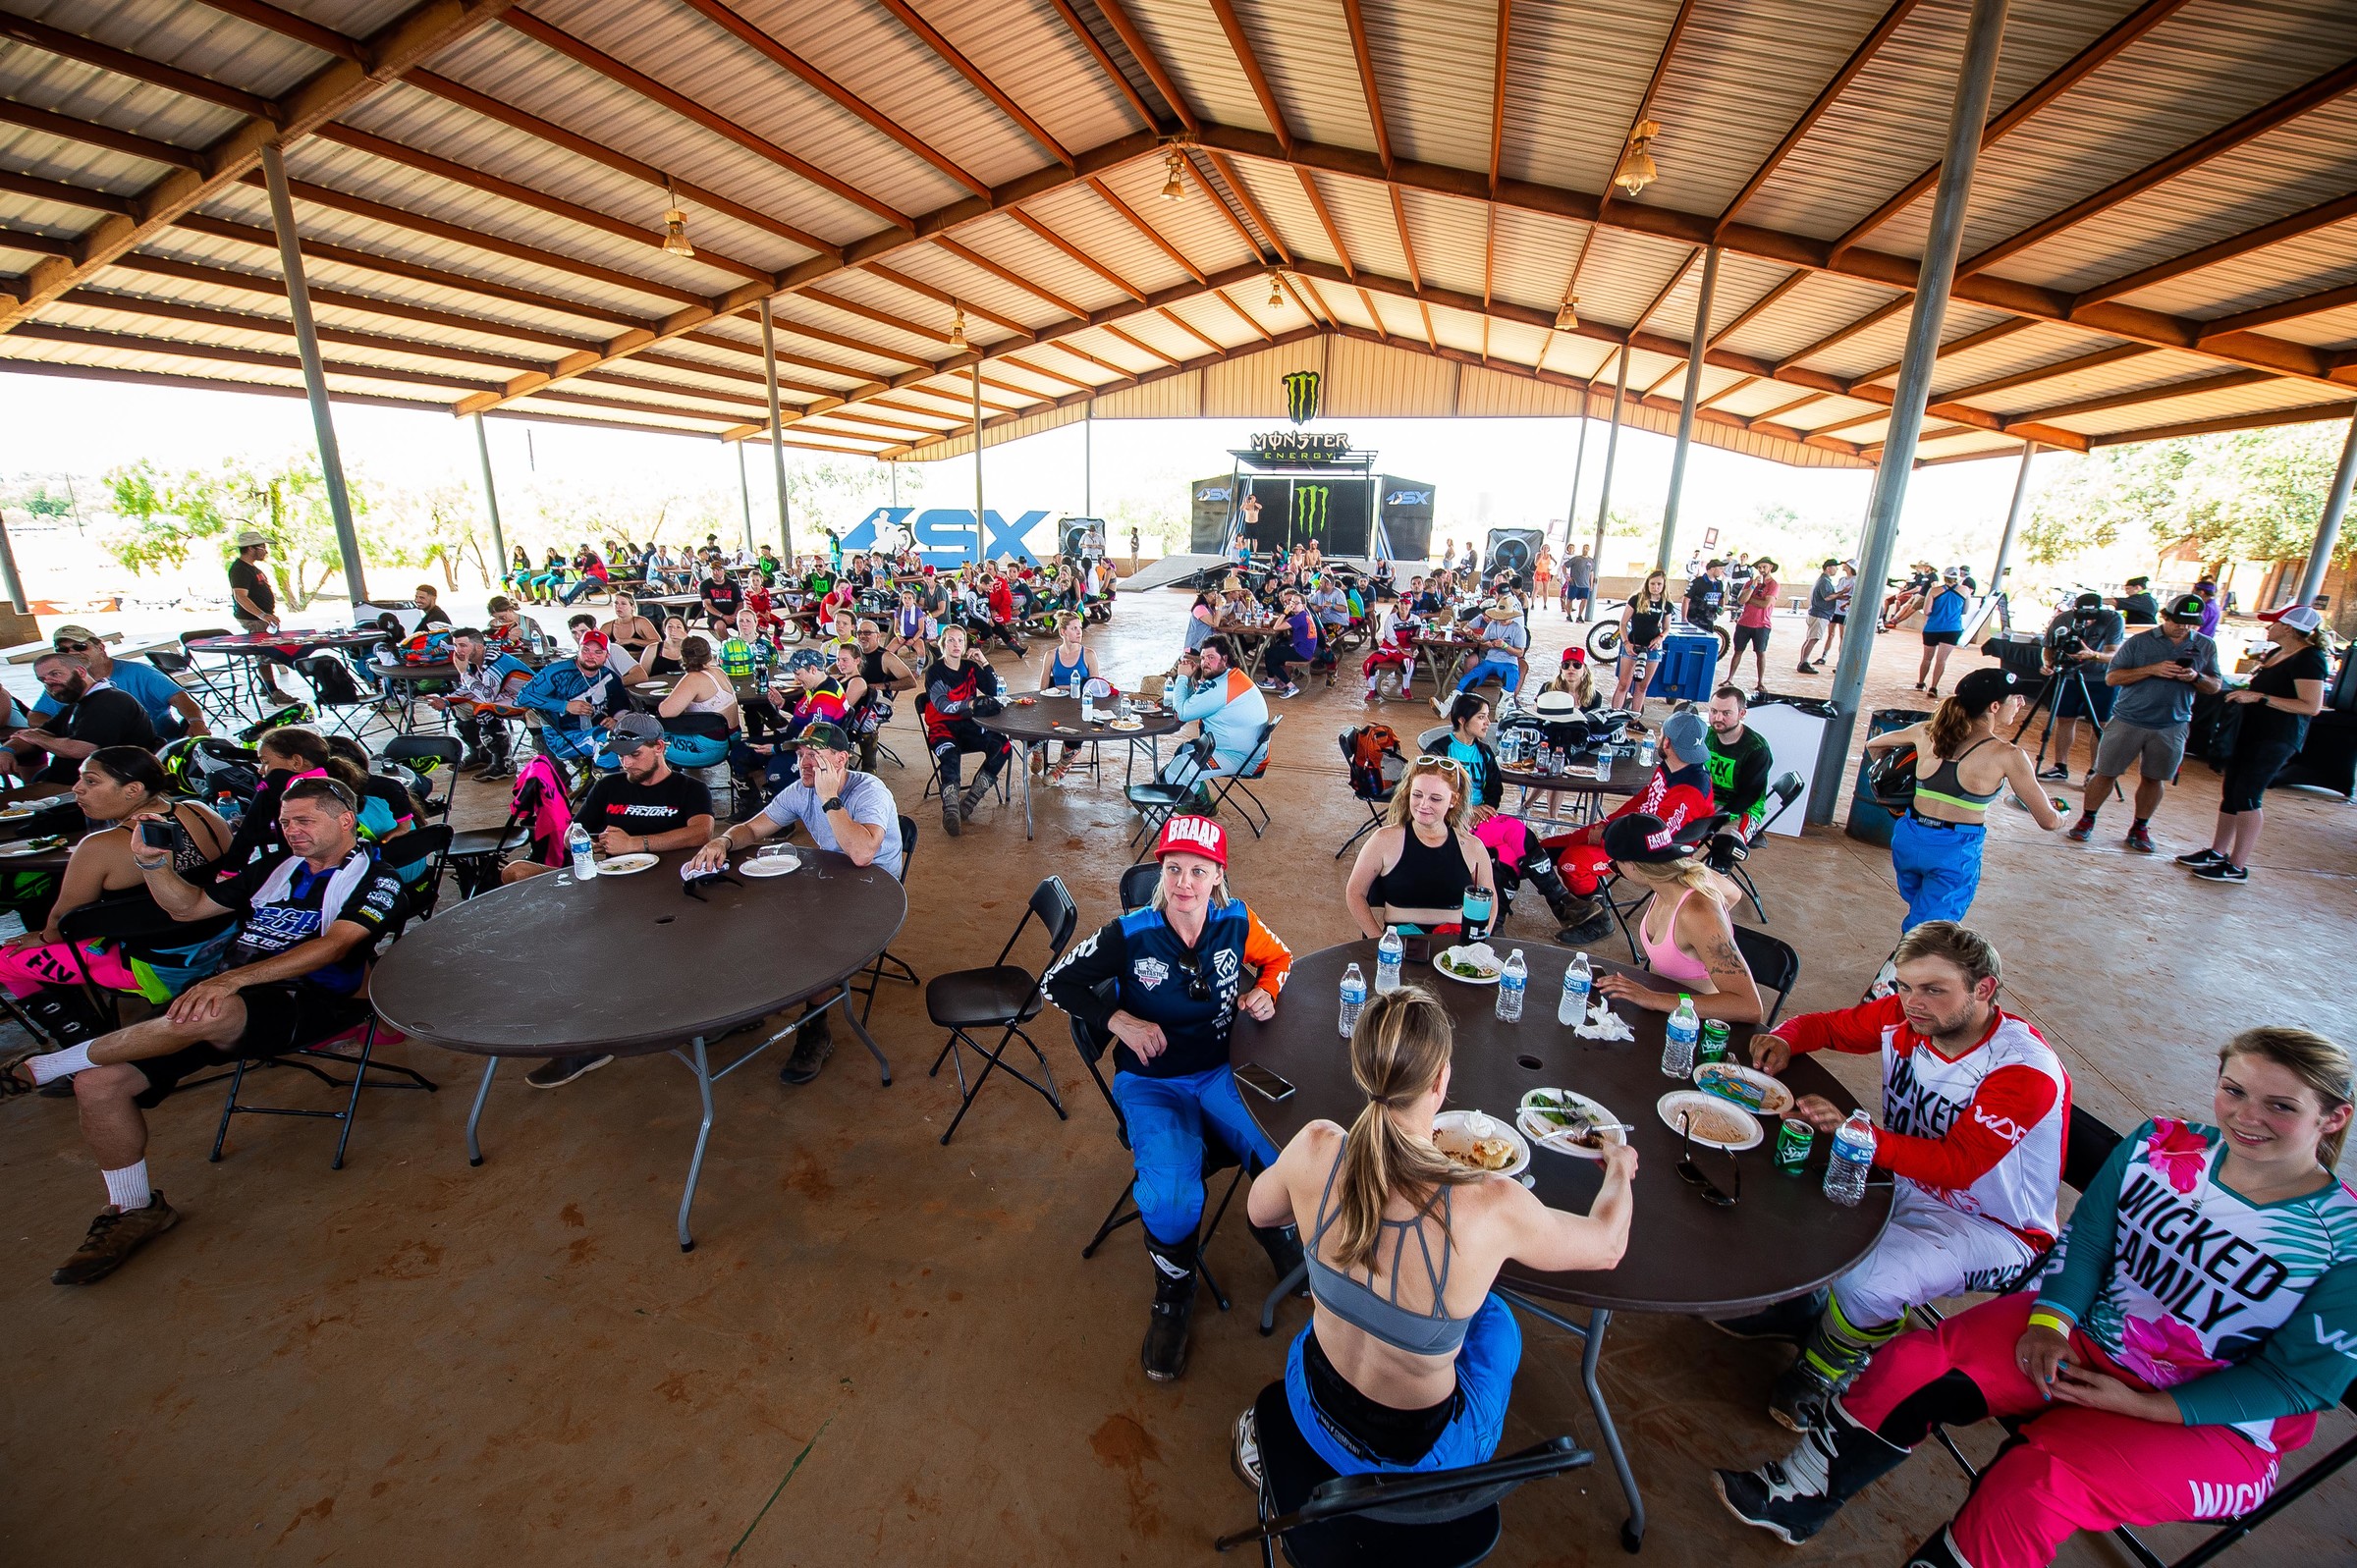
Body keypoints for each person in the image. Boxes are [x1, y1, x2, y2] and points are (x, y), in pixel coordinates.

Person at [1714, 1026, 2352, 1568]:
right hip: (2084, 1335)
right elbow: (2091, 1240)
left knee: (2035, 1480)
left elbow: (2299, 1384)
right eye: (2234, 1089)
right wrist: (2050, 1319)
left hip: (2218, 1422)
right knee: (1911, 1365)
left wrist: (2151, 1405)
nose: (2246, 1115)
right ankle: (1799, 1495)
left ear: (2333, 1116)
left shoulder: (2342, 1237)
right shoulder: (2161, 1144)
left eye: (2281, 1106)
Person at [2, 777, 406, 1284]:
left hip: (312, 1000)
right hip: (229, 998)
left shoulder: (377, 876)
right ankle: (133, 1208)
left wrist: (234, 979)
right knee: (100, 1083)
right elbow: (187, 907)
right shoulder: (276, 868)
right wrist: (152, 864)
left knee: (210, 1009)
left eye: (304, 821)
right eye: (284, 822)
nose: (291, 831)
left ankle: (48, 1065)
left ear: (345, 820)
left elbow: (335, 946)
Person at [1232, 984, 1636, 1485]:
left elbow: (1261, 1213)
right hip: (1416, 1465)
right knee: (1499, 1324)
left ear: (1361, 1068)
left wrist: (1328, 1216)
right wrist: (1620, 1167)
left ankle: (1269, 1440)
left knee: (1343, 1314)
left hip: (1311, 1403)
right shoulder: (1489, 1204)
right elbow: (1608, 1244)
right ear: (1441, 1080)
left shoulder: (1315, 1146)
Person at [1713, 920, 2068, 1435]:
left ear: (1984, 990)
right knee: (1785, 1185)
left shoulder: (2023, 1069)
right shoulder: (1908, 1018)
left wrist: (1862, 1134)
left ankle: (1827, 1368)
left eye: (1933, 990)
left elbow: (1960, 1165)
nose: (1913, 1002)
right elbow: (1829, 1026)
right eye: (1903, 986)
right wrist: (1786, 1039)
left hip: (1994, 1225)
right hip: (1904, 1177)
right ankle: (1804, 1308)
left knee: (1872, 1276)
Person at [1042, 814, 1300, 1380]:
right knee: (1172, 1195)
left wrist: (1264, 992)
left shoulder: (1238, 922)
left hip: (1219, 1070)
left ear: (1217, 877)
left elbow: (1282, 961)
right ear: (1162, 871)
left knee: (1288, 1152)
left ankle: (1271, 1223)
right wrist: (1119, 1021)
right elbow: (1055, 981)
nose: (1185, 882)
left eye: (1199, 871)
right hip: (1152, 1082)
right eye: (1175, 868)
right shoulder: (1130, 931)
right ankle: (1173, 1294)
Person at [500, 713, 712, 1087]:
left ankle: (589, 1037)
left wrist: (636, 844)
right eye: (620, 755)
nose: (626, 762)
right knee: (515, 872)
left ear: (660, 748)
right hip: (606, 880)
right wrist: (584, 839)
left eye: (634, 754)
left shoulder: (687, 789)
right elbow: (573, 830)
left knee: (592, 945)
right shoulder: (609, 786)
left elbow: (701, 833)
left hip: (662, 890)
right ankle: (556, 999)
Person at [686, 721, 897, 1083]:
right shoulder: (801, 790)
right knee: (746, 912)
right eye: (800, 755)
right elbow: (752, 828)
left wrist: (831, 799)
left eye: (814, 754)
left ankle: (815, 1026)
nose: (804, 763)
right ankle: (752, 1006)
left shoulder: (868, 792)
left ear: (842, 759)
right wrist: (723, 841)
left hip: (873, 890)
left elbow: (862, 854)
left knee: (812, 936)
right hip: (827, 880)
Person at [0, 748, 232, 1033]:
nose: (77, 789)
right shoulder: (203, 811)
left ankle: (83, 1041)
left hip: (160, 966)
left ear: (133, 789)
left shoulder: (101, 846)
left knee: (6, 959)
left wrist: (43, 937)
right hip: (225, 945)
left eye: (91, 781)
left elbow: (63, 921)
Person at [1864, 669, 2063, 931]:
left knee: (1922, 914)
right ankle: (1900, 970)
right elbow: (2048, 821)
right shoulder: (2007, 755)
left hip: (1909, 838)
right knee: (1927, 934)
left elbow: (1874, 746)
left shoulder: (1926, 732)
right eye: (2015, 697)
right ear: (1994, 706)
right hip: (1953, 851)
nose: (2021, 703)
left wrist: (1909, 781)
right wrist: (2061, 817)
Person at [2178, 604, 2331, 884]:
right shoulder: (2276, 653)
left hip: (2276, 737)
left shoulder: (2310, 659)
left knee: (2248, 794)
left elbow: (2311, 706)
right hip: (2249, 732)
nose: (2267, 627)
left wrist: (2260, 698)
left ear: (2288, 628)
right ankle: (2217, 851)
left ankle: (2237, 865)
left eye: (2273, 623)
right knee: (2232, 790)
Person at [2068, 593, 2221, 854]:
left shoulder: (2206, 646)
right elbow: (2113, 678)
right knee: (2105, 772)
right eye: (2178, 621)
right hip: (2129, 718)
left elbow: (2215, 685)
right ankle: (2087, 818)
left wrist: (2195, 677)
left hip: (2173, 722)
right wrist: (2152, 669)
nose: (2184, 627)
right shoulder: (2139, 642)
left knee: (2154, 778)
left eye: (2190, 622)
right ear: (2165, 617)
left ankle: (2140, 826)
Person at [1543, 708, 1718, 918]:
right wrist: (1609, 824)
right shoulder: (1674, 764)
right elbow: (1643, 799)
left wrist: (1607, 837)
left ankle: (1598, 919)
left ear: (1668, 743)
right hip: (1634, 832)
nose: (1659, 737)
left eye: (1661, 734)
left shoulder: (1690, 790)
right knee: (1549, 847)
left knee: (1572, 861)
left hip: (1650, 853)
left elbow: (1657, 840)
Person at [1588, 813, 1762, 1023]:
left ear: (1632, 864)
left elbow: (1749, 1007)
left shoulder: (1696, 913)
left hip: (1692, 1027)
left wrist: (1653, 998)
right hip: (1664, 1013)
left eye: (1615, 865)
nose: (1616, 870)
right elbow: (1734, 893)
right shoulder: (1674, 881)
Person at [1344, 755, 1494, 938]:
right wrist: (1378, 941)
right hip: (1401, 940)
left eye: (1436, 799)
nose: (1424, 804)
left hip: (1456, 946)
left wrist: (1480, 940)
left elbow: (1491, 901)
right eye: (1417, 795)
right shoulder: (1384, 840)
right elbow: (1355, 893)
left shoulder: (1472, 847)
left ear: (1454, 800)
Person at [0, 652, 160, 795]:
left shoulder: (110, 702)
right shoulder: (79, 704)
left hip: (105, 788)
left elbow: (81, 749)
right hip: (70, 783)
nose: (49, 682)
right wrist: (7, 750)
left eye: (55, 674)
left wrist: (38, 738)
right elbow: (37, 734)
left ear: (80, 672)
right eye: (43, 679)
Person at [37, 625, 206, 739]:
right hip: (96, 752)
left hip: (156, 744)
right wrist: (69, 732)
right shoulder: (63, 682)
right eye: (63, 650)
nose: (72, 653)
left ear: (100, 648)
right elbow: (37, 716)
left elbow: (181, 699)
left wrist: (196, 722)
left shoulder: (139, 672)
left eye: (80, 647)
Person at [920, 624, 1010, 838]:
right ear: (942, 645)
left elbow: (993, 690)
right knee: (950, 754)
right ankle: (950, 810)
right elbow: (941, 704)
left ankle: (969, 802)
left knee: (1003, 745)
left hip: (968, 726)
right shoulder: (935, 672)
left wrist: (984, 662)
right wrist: (970, 705)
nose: (956, 645)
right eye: (951, 640)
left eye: (960, 640)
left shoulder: (970, 667)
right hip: (942, 727)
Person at [2037, 591, 2125, 784]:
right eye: (2082, 618)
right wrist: (2049, 664)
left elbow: (2114, 654)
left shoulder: (2112, 619)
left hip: (2102, 678)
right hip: (2069, 675)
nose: (2086, 622)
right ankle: (2060, 766)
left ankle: (2095, 770)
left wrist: (2092, 654)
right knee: (2065, 720)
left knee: (2100, 725)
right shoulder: (2063, 619)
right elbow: (2048, 647)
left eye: (2091, 618)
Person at [1165, 636, 1270, 795]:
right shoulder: (1229, 677)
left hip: (1241, 758)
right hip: (1244, 751)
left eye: (1211, 657)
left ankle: (1202, 806)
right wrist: (1191, 679)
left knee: (1176, 773)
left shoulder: (1221, 686)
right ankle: (1157, 792)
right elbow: (1193, 702)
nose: (1205, 662)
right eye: (1202, 658)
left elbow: (1181, 713)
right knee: (1184, 750)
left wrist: (1182, 677)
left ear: (1225, 659)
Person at [516, 628, 634, 766]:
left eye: (598, 652)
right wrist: (565, 706)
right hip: (563, 738)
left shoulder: (610, 677)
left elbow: (622, 706)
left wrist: (615, 720)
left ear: (607, 656)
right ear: (578, 650)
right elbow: (523, 697)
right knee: (605, 741)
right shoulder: (556, 672)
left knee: (640, 737)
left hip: (599, 730)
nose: (591, 656)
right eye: (586, 650)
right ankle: (604, 780)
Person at [1704, 685, 1775, 835]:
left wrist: (1720, 818)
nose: (1718, 718)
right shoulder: (1704, 735)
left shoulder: (1756, 749)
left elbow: (1749, 795)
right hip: (1706, 801)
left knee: (1726, 845)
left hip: (1744, 809)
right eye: (1714, 711)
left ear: (1742, 713)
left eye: (1726, 713)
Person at [1613, 569, 1672, 712]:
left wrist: (1660, 637)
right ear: (1647, 584)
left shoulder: (1666, 604)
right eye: (1652, 584)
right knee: (1624, 684)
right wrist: (1626, 643)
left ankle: (1635, 718)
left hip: (1652, 649)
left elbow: (1667, 628)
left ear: (1664, 586)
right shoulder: (1636, 599)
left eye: (1659, 584)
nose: (1655, 587)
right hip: (1633, 645)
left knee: (1642, 686)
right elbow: (1623, 623)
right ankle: (1613, 716)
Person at [1450, 598, 1529, 701]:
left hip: (1508, 662)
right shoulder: (1492, 625)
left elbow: (1520, 652)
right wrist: (1487, 644)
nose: (1502, 619)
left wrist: (1505, 646)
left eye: (1505, 616)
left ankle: (1505, 705)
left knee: (1511, 678)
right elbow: (1482, 645)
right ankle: (1451, 702)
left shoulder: (1518, 629)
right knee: (1471, 676)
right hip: (1490, 660)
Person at [1912, 569, 1971, 697]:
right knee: (1941, 660)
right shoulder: (1965, 590)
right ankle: (1933, 687)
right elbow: (1965, 610)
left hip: (1933, 627)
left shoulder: (1934, 591)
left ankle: (1920, 683)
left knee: (1927, 658)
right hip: (1952, 628)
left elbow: (1927, 610)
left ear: (1944, 577)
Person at [1729, 558, 1778, 694]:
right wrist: (1752, 587)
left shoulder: (1773, 585)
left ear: (1770, 567)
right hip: (1744, 622)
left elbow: (1765, 604)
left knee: (1760, 653)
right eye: (1760, 567)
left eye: (1764, 567)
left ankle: (1760, 682)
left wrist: (1749, 599)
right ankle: (1730, 678)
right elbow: (1741, 600)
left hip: (1762, 624)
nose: (1762, 570)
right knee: (1738, 651)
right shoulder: (1750, 583)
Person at [1795, 560, 1840, 675]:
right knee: (1813, 639)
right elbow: (1827, 597)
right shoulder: (1824, 581)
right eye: (1835, 567)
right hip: (1820, 614)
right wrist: (1842, 593)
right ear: (1828, 568)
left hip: (1817, 613)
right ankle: (1804, 663)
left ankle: (1803, 661)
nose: (1837, 569)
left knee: (1810, 638)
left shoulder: (1824, 580)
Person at [602, 592, 659, 662]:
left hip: (640, 663)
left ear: (632, 607)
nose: (618, 606)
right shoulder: (607, 626)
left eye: (623, 604)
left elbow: (658, 643)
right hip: (617, 663)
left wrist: (632, 640)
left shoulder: (640, 622)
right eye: (616, 603)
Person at [698, 561, 742, 629]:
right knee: (720, 626)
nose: (716, 573)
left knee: (746, 623)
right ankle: (726, 640)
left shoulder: (733, 584)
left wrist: (735, 615)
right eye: (713, 570)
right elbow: (707, 604)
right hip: (716, 616)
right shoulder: (705, 585)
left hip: (733, 615)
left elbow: (740, 603)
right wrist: (722, 616)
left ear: (723, 571)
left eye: (719, 570)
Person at [1562, 545, 1595, 621]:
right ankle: (1569, 615)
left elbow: (1591, 573)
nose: (1585, 549)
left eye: (1587, 548)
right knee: (1570, 599)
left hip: (1585, 584)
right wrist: (1566, 576)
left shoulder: (1591, 561)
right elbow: (1564, 566)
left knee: (1584, 599)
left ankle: (1579, 616)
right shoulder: (1576, 559)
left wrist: (1591, 584)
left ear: (1589, 549)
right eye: (1584, 548)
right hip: (1574, 583)